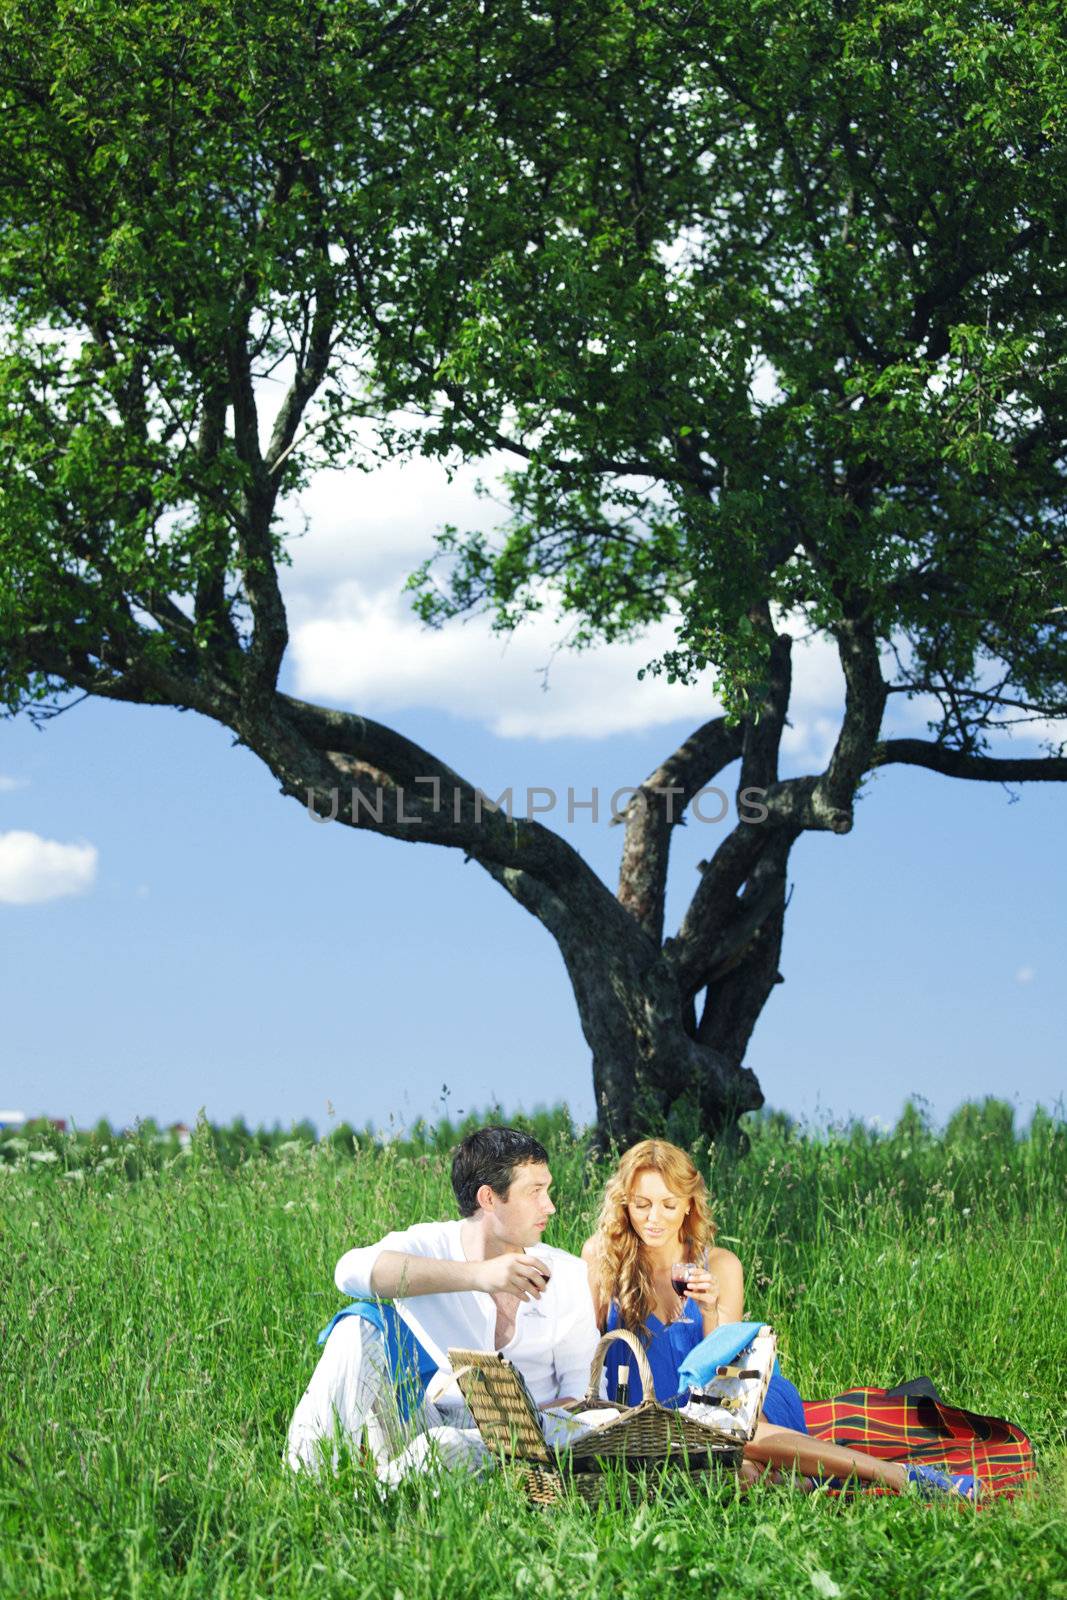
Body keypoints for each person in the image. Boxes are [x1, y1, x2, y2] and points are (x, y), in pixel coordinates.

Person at [581, 1139, 978, 1498]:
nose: (655, 1218)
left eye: (668, 1205)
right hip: (647, 1412)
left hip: (727, 1404)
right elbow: (587, 1351)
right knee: (731, 1457)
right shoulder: (602, 1258)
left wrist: (709, 1311)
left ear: (688, 1205)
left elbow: (722, 1375)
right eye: (641, 1204)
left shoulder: (720, 1265)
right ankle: (784, 1477)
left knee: (733, 1432)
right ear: (624, 1204)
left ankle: (897, 1476)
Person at [286, 1125, 600, 1482]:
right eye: (535, 1192)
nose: (550, 1206)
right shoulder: (432, 1244)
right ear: (489, 1199)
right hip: (426, 1415)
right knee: (361, 1325)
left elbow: (585, 1395)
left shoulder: (568, 1274)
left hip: (521, 1440)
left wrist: (528, 1421)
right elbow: (350, 1271)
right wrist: (479, 1276)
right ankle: (305, 1479)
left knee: (445, 1446)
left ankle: (368, 1495)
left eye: (548, 1190)